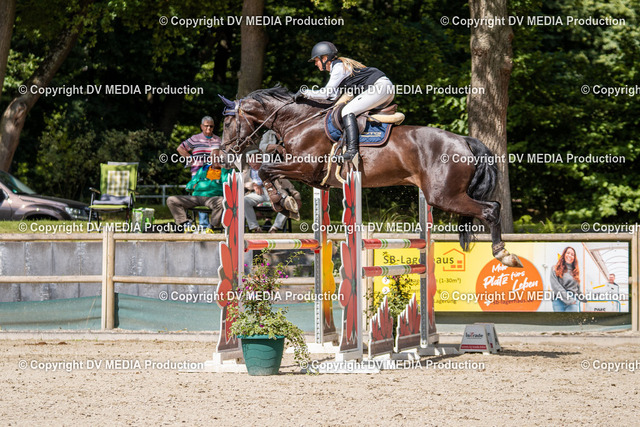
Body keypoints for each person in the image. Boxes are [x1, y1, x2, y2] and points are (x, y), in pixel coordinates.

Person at [295, 41, 395, 163]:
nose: (315, 64)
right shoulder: (338, 68)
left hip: (379, 88)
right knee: (351, 110)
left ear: (324, 58)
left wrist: (305, 92)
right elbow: (333, 97)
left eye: (316, 60)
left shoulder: (338, 68)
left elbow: (326, 93)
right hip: (384, 89)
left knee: (347, 111)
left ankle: (352, 151)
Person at [167, 149, 230, 233]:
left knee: (221, 201)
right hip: (196, 197)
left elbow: (227, 185)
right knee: (171, 200)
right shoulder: (202, 170)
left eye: (220, 157)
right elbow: (189, 185)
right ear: (210, 159)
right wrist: (193, 186)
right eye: (215, 157)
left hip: (213, 198)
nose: (217, 159)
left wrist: (223, 169)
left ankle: (211, 227)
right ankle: (185, 224)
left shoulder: (227, 171)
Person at [177, 116, 221, 229]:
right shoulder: (195, 139)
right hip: (197, 175)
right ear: (201, 126)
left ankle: (213, 225)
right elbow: (180, 148)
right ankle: (203, 225)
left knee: (214, 199)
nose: (209, 128)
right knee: (200, 198)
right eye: (206, 126)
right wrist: (190, 157)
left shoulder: (218, 140)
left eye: (211, 126)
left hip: (214, 175)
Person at [243, 150, 301, 233]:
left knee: (287, 201)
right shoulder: (246, 173)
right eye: (252, 160)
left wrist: (297, 197)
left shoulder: (271, 169)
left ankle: (275, 227)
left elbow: (288, 185)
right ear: (249, 162)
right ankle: (255, 228)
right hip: (257, 194)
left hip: (274, 192)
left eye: (257, 159)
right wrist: (253, 185)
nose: (254, 162)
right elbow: (242, 184)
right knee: (244, 201)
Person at [549, 246, 584, 312]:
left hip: (572, 300)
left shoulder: (575, 272)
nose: (570, 255)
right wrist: (568, 299)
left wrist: (582, 298)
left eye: (572, 254)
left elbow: (577, 288)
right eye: (568, 253)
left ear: (574, 258)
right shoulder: (555, 268)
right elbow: (555, 286)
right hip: (558, 300)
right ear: (564, 254)